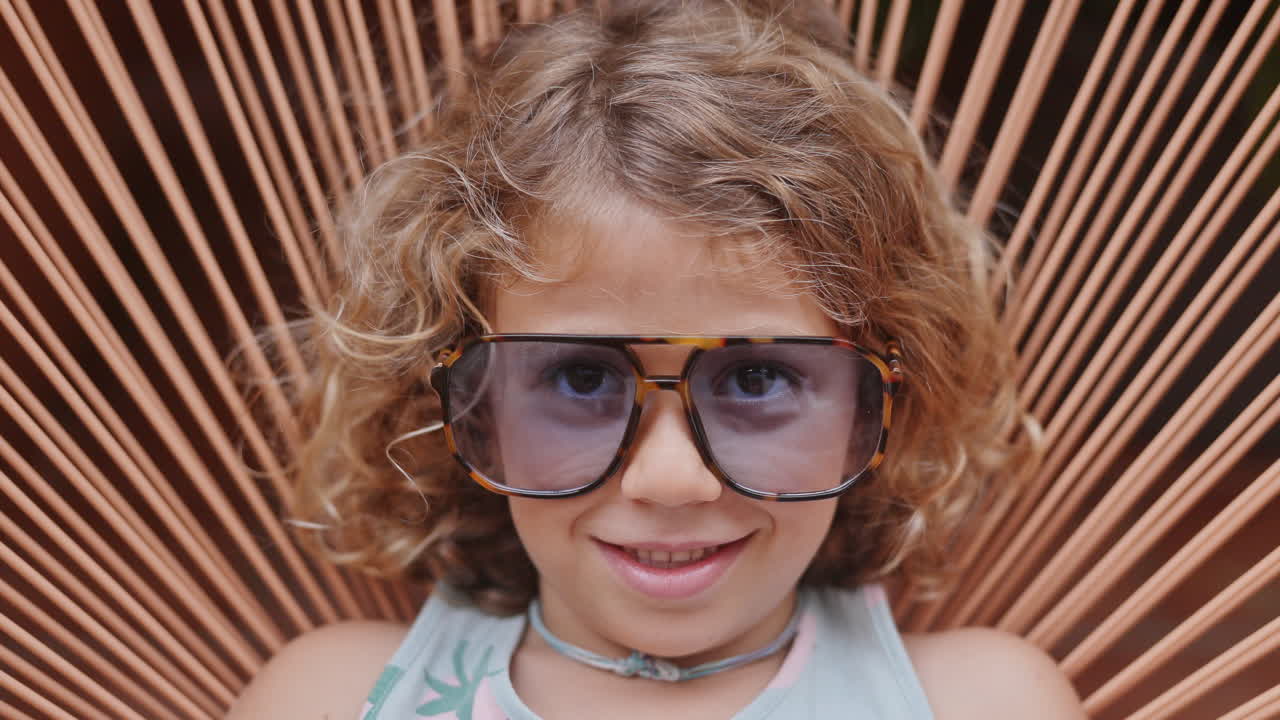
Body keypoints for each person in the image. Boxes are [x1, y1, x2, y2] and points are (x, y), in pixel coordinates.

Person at [229, 0, 1085, 717]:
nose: (669, 479)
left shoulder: (977, 702)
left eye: (757, 377)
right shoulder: (338, 697)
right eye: (581, 377)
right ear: (466, 403)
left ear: (876, 403)